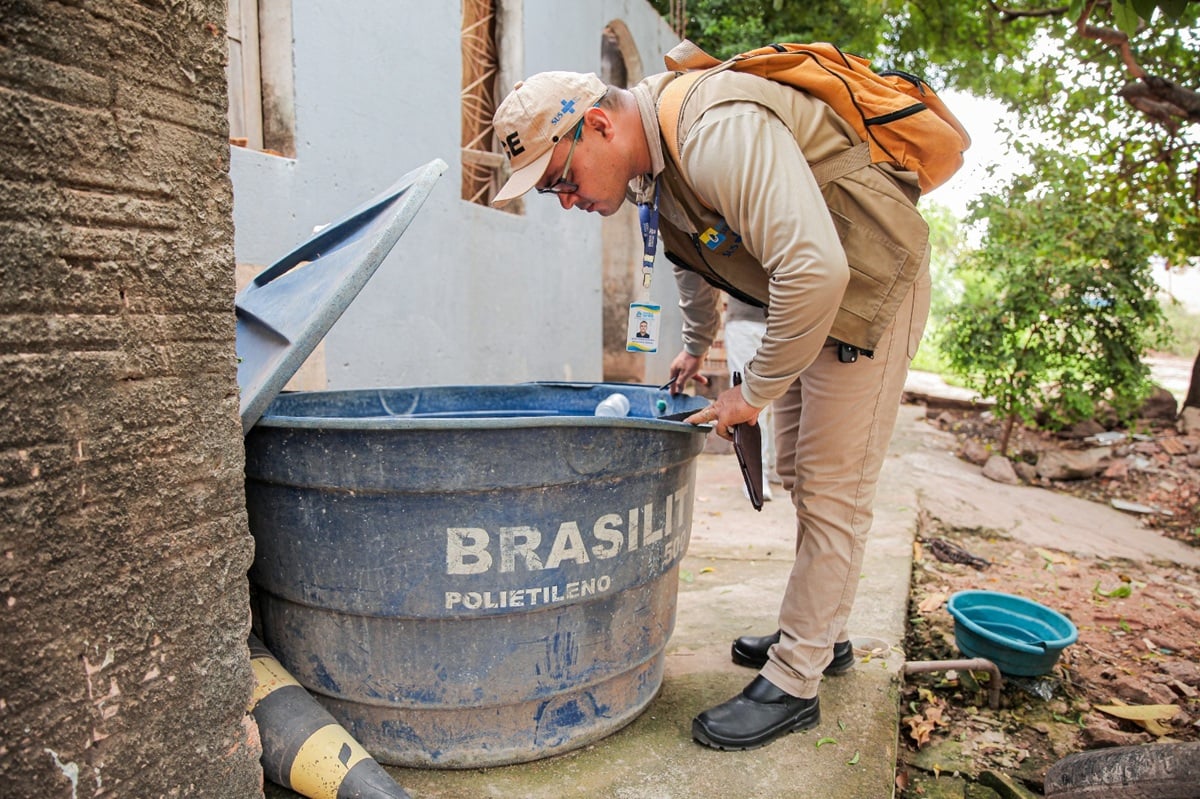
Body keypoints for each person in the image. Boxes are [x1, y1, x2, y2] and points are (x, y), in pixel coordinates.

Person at [490, 65, 930, 752]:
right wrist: (696, 347)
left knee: (831, 487)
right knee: (796, 469)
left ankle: (796, 680)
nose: (565, 200)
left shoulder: (714, 129)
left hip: (869, 288)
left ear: (600, 125)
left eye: (561, 179)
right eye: (552, 191)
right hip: (812, 298)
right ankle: (822, 633)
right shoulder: (654, 169)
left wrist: (750, 394)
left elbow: (816, 267)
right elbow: (698, 257)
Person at [723, 294, 774, 500]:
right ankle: (755, 474)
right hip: (746, 317)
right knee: (750, 400)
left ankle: (775, 467)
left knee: (784, 402)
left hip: (793, 317)